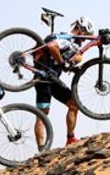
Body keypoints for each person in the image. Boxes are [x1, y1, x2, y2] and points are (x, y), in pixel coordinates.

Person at [32, 17, 92, 146]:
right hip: (42, 78)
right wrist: (62, 63)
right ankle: (41, 149)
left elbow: (61, 63)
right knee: (42, 113)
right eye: (86, 35)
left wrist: (71, 67)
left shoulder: (72, 45)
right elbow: (52, 46)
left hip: (53, 79)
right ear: (80, 30)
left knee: (74, 104)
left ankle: (70, 138)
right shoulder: (67, 39)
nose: (85, 39)